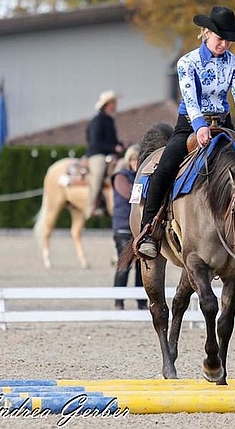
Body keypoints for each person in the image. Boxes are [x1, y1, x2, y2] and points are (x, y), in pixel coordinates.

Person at [136, 5, 235, 261]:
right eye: (221, 38)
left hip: (224, 125)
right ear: (206, 33)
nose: (225, 44)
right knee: (164, 168)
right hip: (190, 124)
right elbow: (189, 96)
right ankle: (149, 229)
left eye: (229, 39)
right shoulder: (188, 62)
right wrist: (199, 126)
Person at [112, 144, 147, 310]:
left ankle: (141, 301)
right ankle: (119, 301)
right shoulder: (120, 177)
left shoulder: (144, 176)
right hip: (124, 227)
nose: (135, 162)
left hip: (140, 228)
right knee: (124, 265)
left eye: (138, 159)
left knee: (142, 266)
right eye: (133, 159)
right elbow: (131, 195)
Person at [85, 90, 125, 218]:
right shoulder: (97, 121)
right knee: (98, 171)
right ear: (108, 104)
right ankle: (91, 205)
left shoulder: (109, 120)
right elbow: (95, 142)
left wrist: (119, 145)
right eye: (114, 102)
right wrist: (114, 147)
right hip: (97, 154)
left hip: (109, 153)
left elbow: (111, 140)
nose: (116, 105)